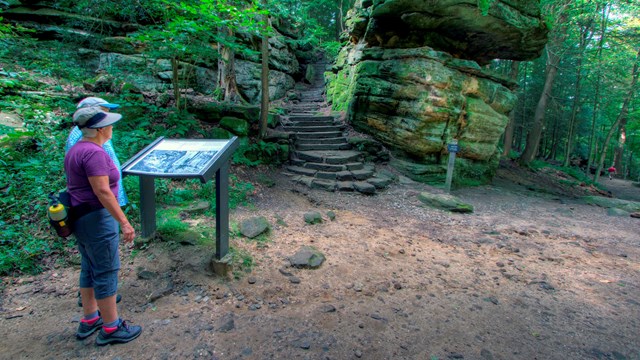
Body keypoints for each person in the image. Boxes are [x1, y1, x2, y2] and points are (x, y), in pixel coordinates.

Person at [65, 106, 142, 345]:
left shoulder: (77, 149)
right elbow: (102, 191)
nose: (111, 127)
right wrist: (124, 222)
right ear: (99, 129)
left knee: (89, 267)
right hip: (97, 218)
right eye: (108, 124)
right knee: (106, 269)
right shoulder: (94, 153)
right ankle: (111, 327)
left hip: (80, 217)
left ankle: (90, 318)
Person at [66, 97, 128, 207]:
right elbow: (100, 187)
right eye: (103, 111)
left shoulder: (98, 134)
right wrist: (124, 222)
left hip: (105, 200)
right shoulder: (87, 138)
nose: (107, 116)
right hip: (98, 204)